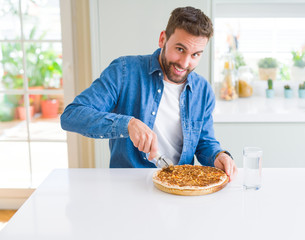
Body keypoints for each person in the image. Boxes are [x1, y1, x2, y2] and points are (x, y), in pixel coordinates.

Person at [61, 6, 237, 181]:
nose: (185, 63)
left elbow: (204, 143)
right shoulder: (124, 71)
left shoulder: (203, 90)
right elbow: (71, 115)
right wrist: (127, 124)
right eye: (180, 49)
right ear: (162, 39)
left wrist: (217, 155)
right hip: (128, 187)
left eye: (195, 55)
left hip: (181, 188)